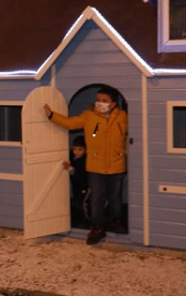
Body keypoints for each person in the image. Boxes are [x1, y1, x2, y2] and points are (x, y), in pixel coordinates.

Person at [43, 86, 127, 245]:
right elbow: (70, 123)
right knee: (96, 198)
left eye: (104, 101)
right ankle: (97, 227)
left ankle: (116, 221)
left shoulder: (122, 116)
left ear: (113, 104)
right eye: (98, 100)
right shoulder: (89, 116)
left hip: (116, 166)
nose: (99, 103)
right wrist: (51, 115)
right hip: (95, 166)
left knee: (115, 198)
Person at [63, 135, 89, 228]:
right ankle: (79, 219)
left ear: (86, 150)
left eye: (80, 149)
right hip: (76, 185)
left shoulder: (86, 159)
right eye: (74, 149)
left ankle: (86, 220)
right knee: (76, 201)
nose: (76, 152)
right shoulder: (71, 155)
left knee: (82, 203)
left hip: (85, 185)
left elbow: (80, 174)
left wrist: (70, 168)